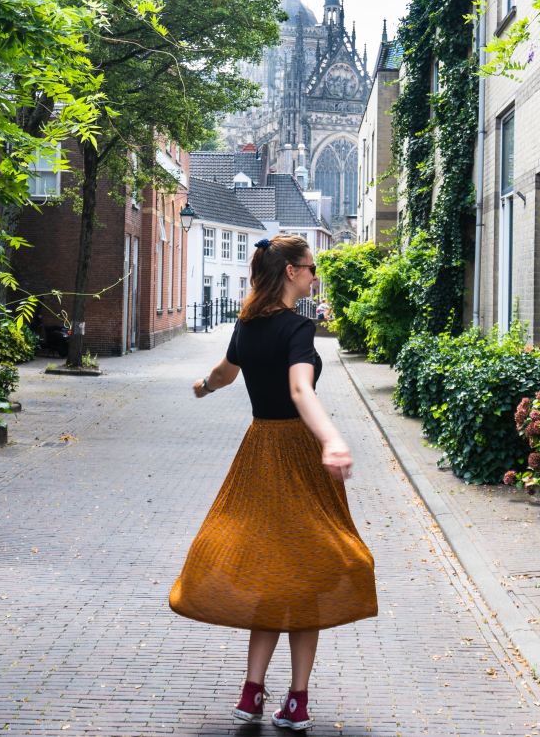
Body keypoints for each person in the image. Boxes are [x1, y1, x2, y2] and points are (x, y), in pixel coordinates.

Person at [169, 234, 377, 731]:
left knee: (270, 568)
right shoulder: (298, 329)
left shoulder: (247, 325)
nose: (314, 276)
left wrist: (202, 387)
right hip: (299, 457)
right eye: (310, 268)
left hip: (259, 454)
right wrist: (331, 439)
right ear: (290, 272)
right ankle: (297, 700)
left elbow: (224, 372)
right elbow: (300, 388)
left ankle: (251, 692)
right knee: (307, 572)